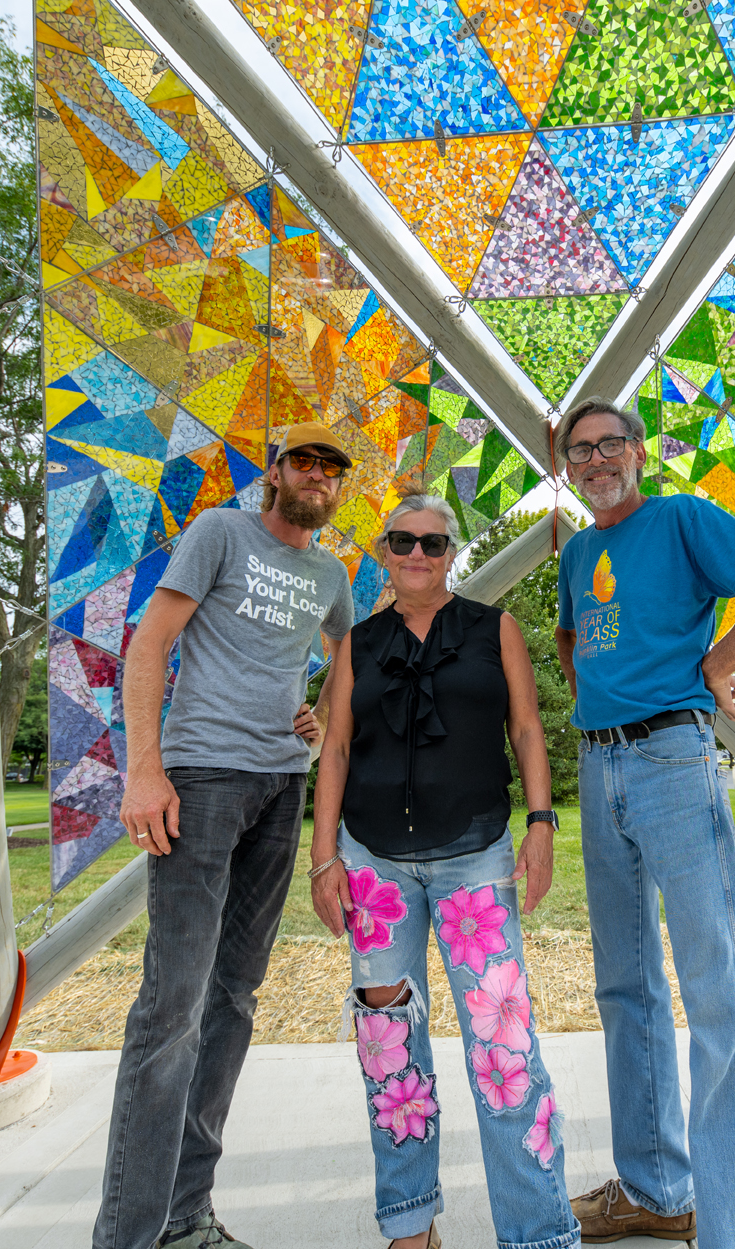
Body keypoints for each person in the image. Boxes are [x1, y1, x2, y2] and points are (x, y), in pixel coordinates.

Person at [551, 397, 735, 1249]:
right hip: (601, 767)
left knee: (718, 991)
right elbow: (569, 639)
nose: (594, 460)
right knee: (623, 986)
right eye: (578, 451)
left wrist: (716, 662)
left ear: (636, 451)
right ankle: (655, 1190)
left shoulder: (678, 518)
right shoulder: (578, 550)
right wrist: (596, 692)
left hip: (672, 756)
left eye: (607, 444)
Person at [95, 422, 357, 1249]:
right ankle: (129, 1236)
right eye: (304, 461)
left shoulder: (330, 572)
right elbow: (150, 645)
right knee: (170, 1006)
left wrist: (317, 712)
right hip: (200, 783)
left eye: (332, 468)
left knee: (233, 1000)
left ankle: (185, 1216)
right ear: (275, 473)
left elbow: (343, 655)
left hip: (280, 788)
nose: (317, 475)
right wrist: (146, 768)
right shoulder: (220, 531)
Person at [310, 495, 580, 1249]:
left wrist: (541, 824)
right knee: (387, 1051)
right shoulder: (357, 643)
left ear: (452, 550)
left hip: (475, 859)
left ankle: (537, 1230)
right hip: (372, 867)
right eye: (403, 540)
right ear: (385, 549)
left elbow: (525, 727)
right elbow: (333, 748)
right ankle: (408, 1223)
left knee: (503, 1050)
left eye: (433, 541)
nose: (417, 553)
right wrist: (321, 855)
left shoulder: (494, 628)